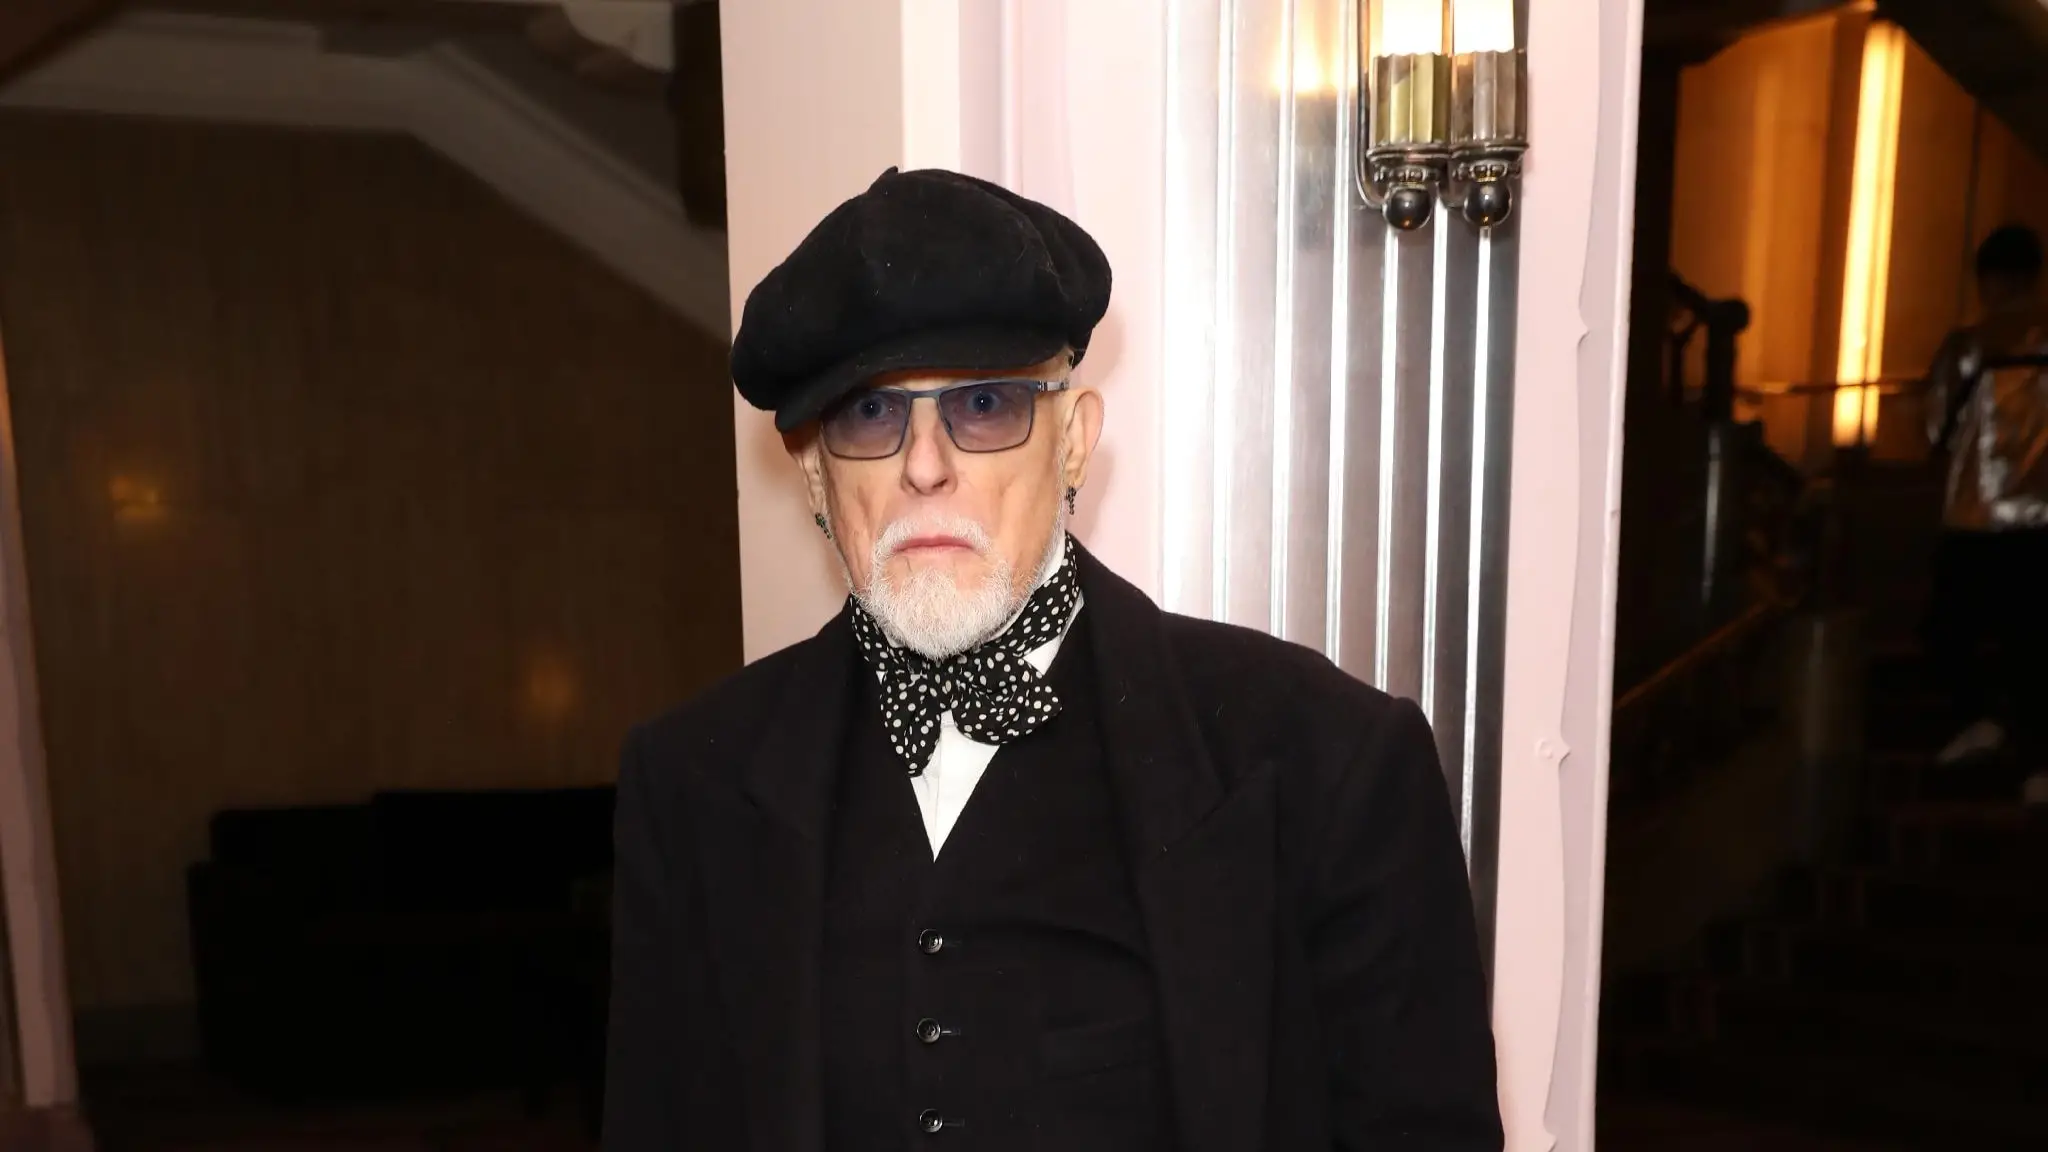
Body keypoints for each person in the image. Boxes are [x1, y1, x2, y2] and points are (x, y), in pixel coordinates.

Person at [601, 167, 1503, 1152]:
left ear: (1073, 443)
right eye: (869, 415)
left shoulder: (1330, 766)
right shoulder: (689, 785)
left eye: (984, 405)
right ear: (815, 475)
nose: (924, 466)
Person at [1922, 222, 2048, 801]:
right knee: (2032, 640)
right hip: (2040, 519)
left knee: (1950, 629)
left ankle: (1978, 719)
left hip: (1974, 516)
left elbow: (1935, 427)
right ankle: (2037, 763)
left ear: (1987, 280)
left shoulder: (1966, 347)